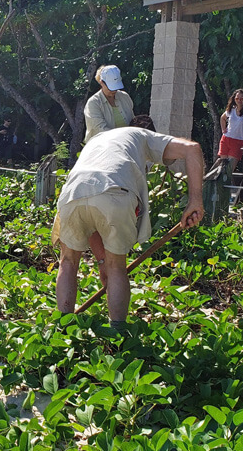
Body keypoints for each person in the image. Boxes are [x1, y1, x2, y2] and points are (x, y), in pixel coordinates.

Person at [51, 126, 205, 324]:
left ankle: (63, 331)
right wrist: (195, 201)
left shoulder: (98, 140)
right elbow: (192, 148)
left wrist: (101, 261)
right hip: (116, 190)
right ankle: (118, 335)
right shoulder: (142, 134)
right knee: (117, 268)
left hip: (73, 192)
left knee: (68, 262)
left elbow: (92, 206)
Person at [84, 65, 135, 143]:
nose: (114, 90)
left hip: (126, 145)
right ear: (101, 82)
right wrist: (123, 140)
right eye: (111, 87)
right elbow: (100, 130)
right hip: (102, 147)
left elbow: (132, 122)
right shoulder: (93, 103)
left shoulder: (125, 97)